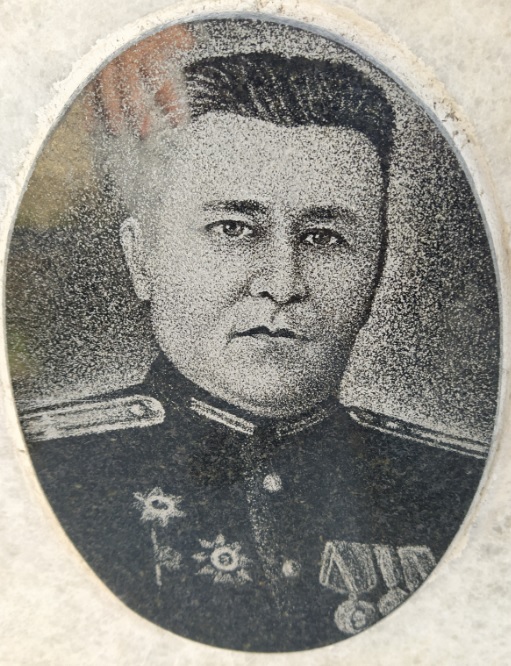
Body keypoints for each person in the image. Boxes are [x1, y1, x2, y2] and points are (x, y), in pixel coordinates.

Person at [20, 51, 486, 652]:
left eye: (324, 238)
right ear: (143, 258)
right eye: (234, 229)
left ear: (376, 271)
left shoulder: (454, 487)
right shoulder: (47, 471)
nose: (282, 283)